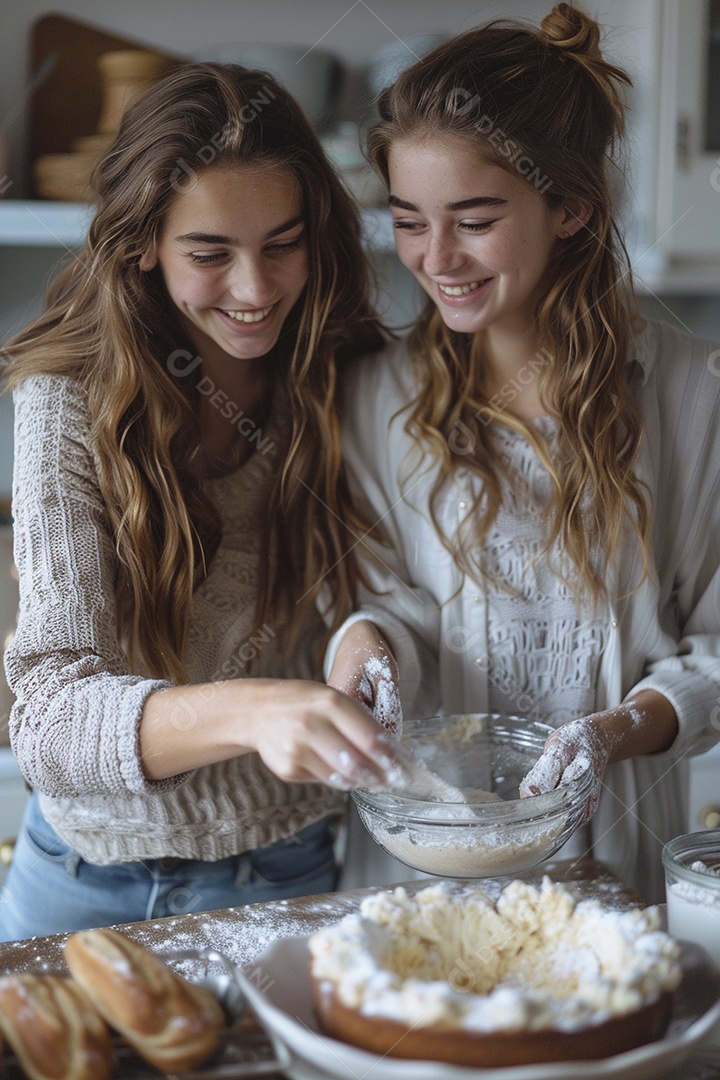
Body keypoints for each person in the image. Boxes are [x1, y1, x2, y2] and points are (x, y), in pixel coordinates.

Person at [0, 62, 408, 940]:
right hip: (78, 878)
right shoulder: (66, 403)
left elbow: (364, 585)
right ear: (143, 242)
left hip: (287, 866)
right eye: (211, 253)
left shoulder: (342, 372)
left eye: (282, 243)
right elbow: (48, 720)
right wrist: (259, 709)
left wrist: (359, 640)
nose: (256, 289)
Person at [326, 3, 720, 902]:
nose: (436, 258)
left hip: (607, 856)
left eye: (473, 218)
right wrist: (366, 652)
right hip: (415, 857)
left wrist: (614, 731)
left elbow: (715, 645)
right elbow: (379, 598)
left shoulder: (696, 397)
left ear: (570, 205)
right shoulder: (374, 396)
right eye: (409, 220)